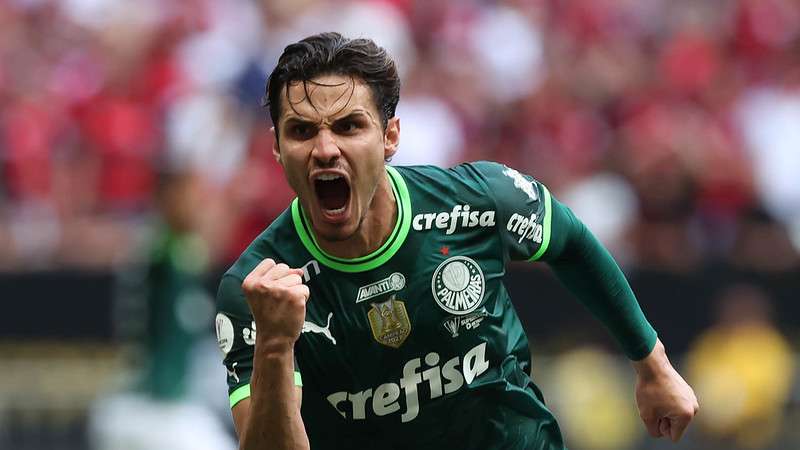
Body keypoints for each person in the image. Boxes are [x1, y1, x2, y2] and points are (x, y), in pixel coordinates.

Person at [215, 32, 698, 450]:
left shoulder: (478, 200)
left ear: (390, 137)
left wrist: (651, 364)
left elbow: (569, 241)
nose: (325, 149)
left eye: (349, 126)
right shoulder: (256, 291)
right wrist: (276, 347)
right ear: (277, 147)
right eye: (301, 132)